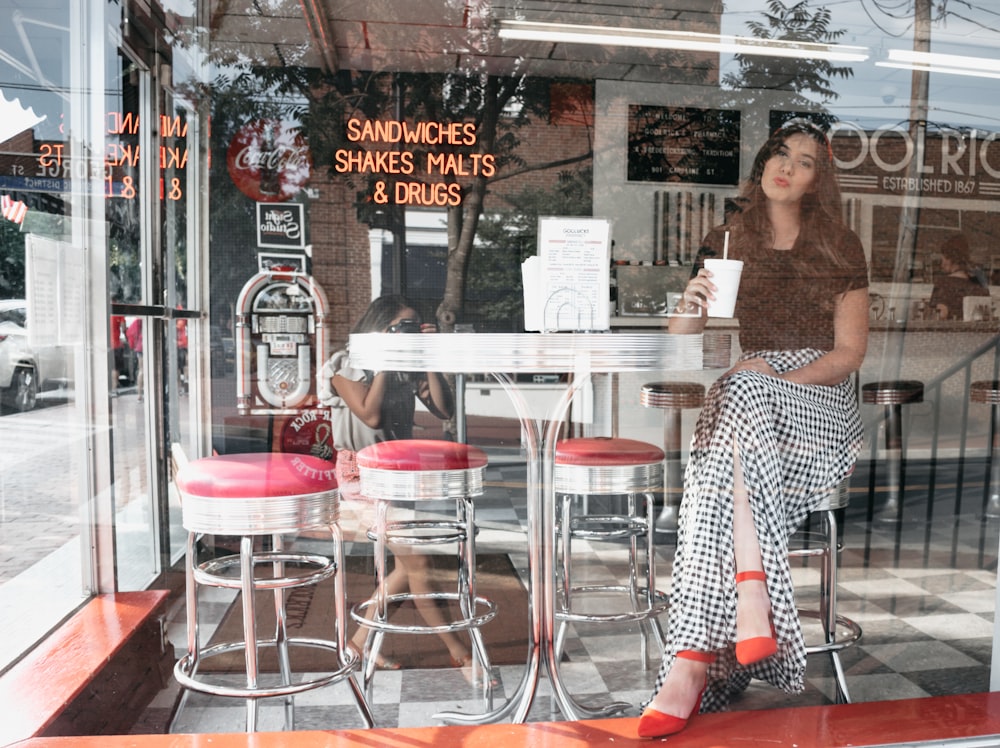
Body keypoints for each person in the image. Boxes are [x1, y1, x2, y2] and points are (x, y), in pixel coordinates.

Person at [638, 121, 869, 739]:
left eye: (805, 162)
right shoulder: (727, 237)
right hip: (755, 408)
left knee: (734, 398)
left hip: (818, 399)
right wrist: (688, 306)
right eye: (779, 154)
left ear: (820, 181)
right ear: (763, 162)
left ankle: (692, 662)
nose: (787, 167)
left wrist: (775, 374)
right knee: (733, 411)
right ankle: (747, 604)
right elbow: (679, 351)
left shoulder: (841, 245)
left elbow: (849, 354)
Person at [323, 295, 482, 678]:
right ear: (376, 328)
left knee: (406, 566)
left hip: (397, 472)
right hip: (360, 474)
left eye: (414, 327)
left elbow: (444, 409)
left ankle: (357, 642)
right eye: (401, 327)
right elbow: (371, 414)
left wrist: (424, 359)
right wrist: (385, 358)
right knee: (419, 561)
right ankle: (459, 651)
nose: (408, 334)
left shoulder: (406, 366)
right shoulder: (345, 364)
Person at [929, 233, 989, 320]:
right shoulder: (977, 283)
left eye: (943, 259)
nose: (942, 264)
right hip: (975, 331)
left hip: (952, 331)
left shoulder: (944, 284)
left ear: (950, 259)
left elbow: (941, 314)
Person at [126, 317, 143, 402]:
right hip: (149, 345)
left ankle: (140, 395)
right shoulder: (142, 320)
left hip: (140, 347)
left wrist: (133, 345)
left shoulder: (137, 321)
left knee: (141, 370)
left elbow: (129, 333)